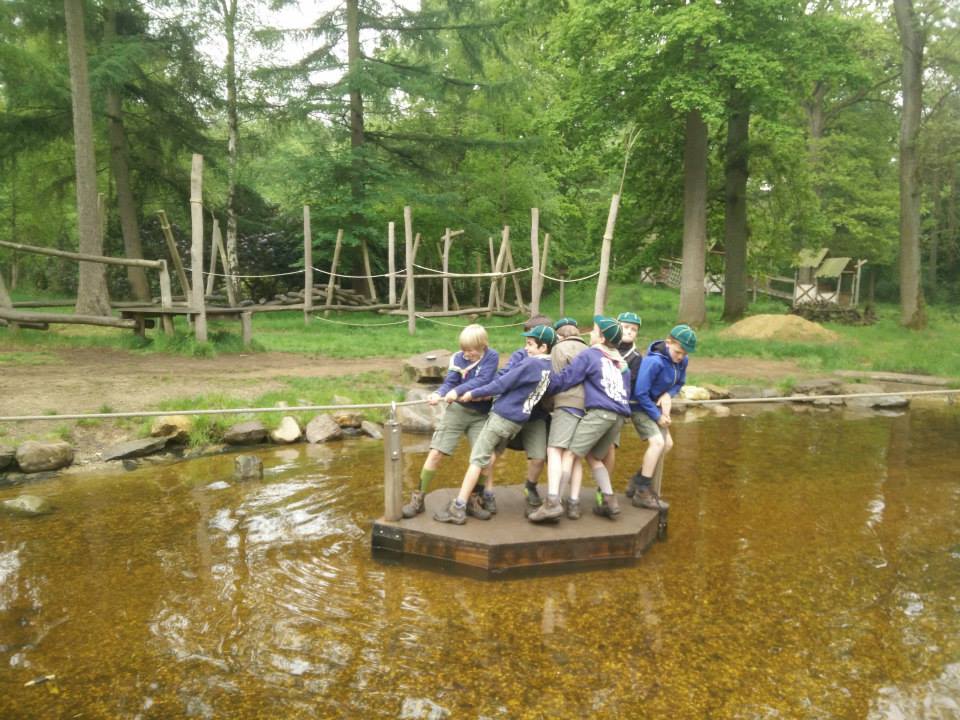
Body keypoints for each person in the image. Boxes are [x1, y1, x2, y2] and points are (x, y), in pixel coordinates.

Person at [433, 325, 555, 525]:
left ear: (543, 348)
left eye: (530, 344)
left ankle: (459, 507)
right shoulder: (550, 366)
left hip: (502, 417)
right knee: (489, 458)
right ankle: (485, 496)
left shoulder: (530, 363)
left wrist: (472, 393)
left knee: (477, 460)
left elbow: (501, 384)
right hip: (518, 421)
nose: (526, 348)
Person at [531, 316, 630, 521]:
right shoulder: (622, 362)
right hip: (620, 415)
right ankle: (610, 501)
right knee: (593, 457)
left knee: (569, 455)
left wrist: (544, 387)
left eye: (594, 331)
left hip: (600, 413)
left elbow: (568, 377)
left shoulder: (591, 354)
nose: (590, 334)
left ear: (601, 338)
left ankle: (553, 503)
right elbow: (626, 389)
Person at [401, 323, 499, 520]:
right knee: (436, 452)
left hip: (481, 414)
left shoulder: (491, 356)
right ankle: (418, 498)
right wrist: (439, 393)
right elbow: (451, 382)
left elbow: (483, 380)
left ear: (482, 345)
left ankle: (474, 499)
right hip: (457, 411)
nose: (466, 354)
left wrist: (457, 391)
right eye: (464, 349)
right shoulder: (457, 358)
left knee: (485, 458)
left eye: (471, 350)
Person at [626, 324, 697, 511]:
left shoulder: (683, 360)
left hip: (655, 406)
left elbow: (679, 383)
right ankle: (642, 493)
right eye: (678, 352)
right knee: (657, 443)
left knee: (667, 444)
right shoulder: (654, 362)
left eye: (684, 354)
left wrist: (668, 394)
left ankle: (638, 480)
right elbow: (640, 392)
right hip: (639, 406)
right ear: (668, 343)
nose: (680, 357)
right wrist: (658, 416)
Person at [529, 316, 588, 521]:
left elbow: (553, 379)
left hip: (566, 404)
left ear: (560, 336)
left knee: (554, 450)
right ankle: (574, 503)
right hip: (587, 406)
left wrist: (547, 405)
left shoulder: (559, 349)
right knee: (575, 456)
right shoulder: (588, 350)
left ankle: (553, 500)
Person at [495, 314, 552, 514]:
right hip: (511, 413)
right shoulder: (520, 355)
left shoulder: (551, 358)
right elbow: (504, 376)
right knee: (492, 454)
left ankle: (530, 486)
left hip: (536, 416)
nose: (528, 344)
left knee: (538, 457)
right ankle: (482, 490)